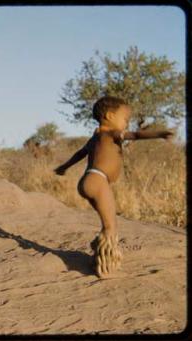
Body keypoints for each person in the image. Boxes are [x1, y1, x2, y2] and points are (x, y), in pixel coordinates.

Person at [54, 96, 173, 277]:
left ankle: (98, 250)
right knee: (111, 227)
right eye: (125, 119)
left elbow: (79, 154)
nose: (127, 123)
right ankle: (106, 266)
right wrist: (159, 134)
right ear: (110, 116)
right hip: (98, 181)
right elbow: (136, 135)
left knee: (107, 223)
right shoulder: (111, 134)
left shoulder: (95, 138)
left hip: (87, 181)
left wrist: (64, 167)